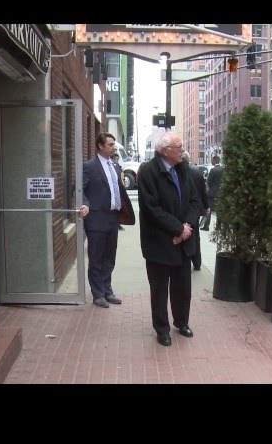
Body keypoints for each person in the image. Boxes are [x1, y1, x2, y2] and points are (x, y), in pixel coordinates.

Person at [137, 132, 200, 346]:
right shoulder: (148, 171)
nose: (182, 150)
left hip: (183, 241)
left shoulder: (184, 170)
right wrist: (177, 229)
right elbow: (151, 209)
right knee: (160, 289)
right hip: (159, 242)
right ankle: (162, 328)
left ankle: (181, 322)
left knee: (182, 287)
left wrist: (187, 229)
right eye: (179, 146)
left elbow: (194, 201)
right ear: (165, 151)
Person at [78, 133, 134, 308]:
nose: (113, 147)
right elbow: (78, 189)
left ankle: (107, 290)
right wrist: (85, 204)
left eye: (114, 144)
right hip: (95, 219)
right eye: (110, 144)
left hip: (112, 218)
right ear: (100, 146)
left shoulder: (115, 167)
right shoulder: (88, 166)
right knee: (96, 258)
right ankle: (98, 294)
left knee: (110, 257)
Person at [181, 151, 208, 271]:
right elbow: (203, 192)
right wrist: (206, 207)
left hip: (182, 209)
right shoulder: (197, 172)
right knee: (195, 237)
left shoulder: (178, 172)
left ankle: (185, 259)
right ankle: (197, 262)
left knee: (183, 234)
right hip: (195, 210)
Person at [200, 154, 223, 231]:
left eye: (212, 160)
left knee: (208, 210)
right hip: (221, 194)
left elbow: (209, 182)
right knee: (220, 211)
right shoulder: (223, 169)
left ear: (214, 160)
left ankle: (206, 226)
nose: (211, 162)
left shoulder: (213, 170)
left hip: (212, 194)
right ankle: (218, 227)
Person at [111, 153, 125, 231]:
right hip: (114, 191)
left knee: (119, 208)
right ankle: (115, 224)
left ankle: (118, 224)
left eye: (117, 159)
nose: (116, 160)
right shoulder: (111, 166)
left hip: (119, 190)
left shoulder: (118, 166)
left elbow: (122, 174)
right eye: (115, 159)